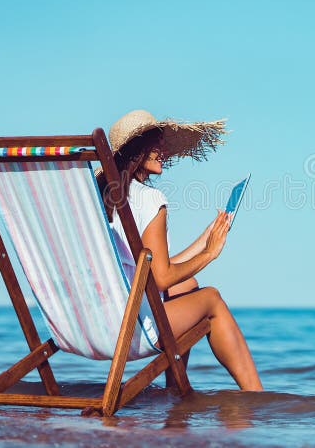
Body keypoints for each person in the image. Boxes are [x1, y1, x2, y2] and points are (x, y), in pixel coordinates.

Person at [96, 110, 263, 392]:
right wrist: (209, 255)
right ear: (137, 149)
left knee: (188, 284)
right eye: (157, 145)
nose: (163, 152)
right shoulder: (150, 200)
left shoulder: (102, 198)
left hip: (97, 323)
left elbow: (146, 266)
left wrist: (206, 239)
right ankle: (256, 397)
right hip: (129, 330)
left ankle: (175, 391)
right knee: (211, 299)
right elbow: (160, 278)